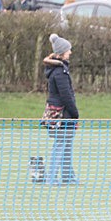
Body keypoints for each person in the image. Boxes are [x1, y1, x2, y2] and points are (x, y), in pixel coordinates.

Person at [42, 33, 79, 185]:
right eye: (68, 50)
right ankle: (51, 178)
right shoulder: (60, 72)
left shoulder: (58, 69)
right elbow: (66, 96)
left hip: (61, 114)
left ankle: (67, 176)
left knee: (66, 145)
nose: (70, 52)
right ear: (62, 53)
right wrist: (75, 113)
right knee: (61, 145)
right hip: (62, 115)